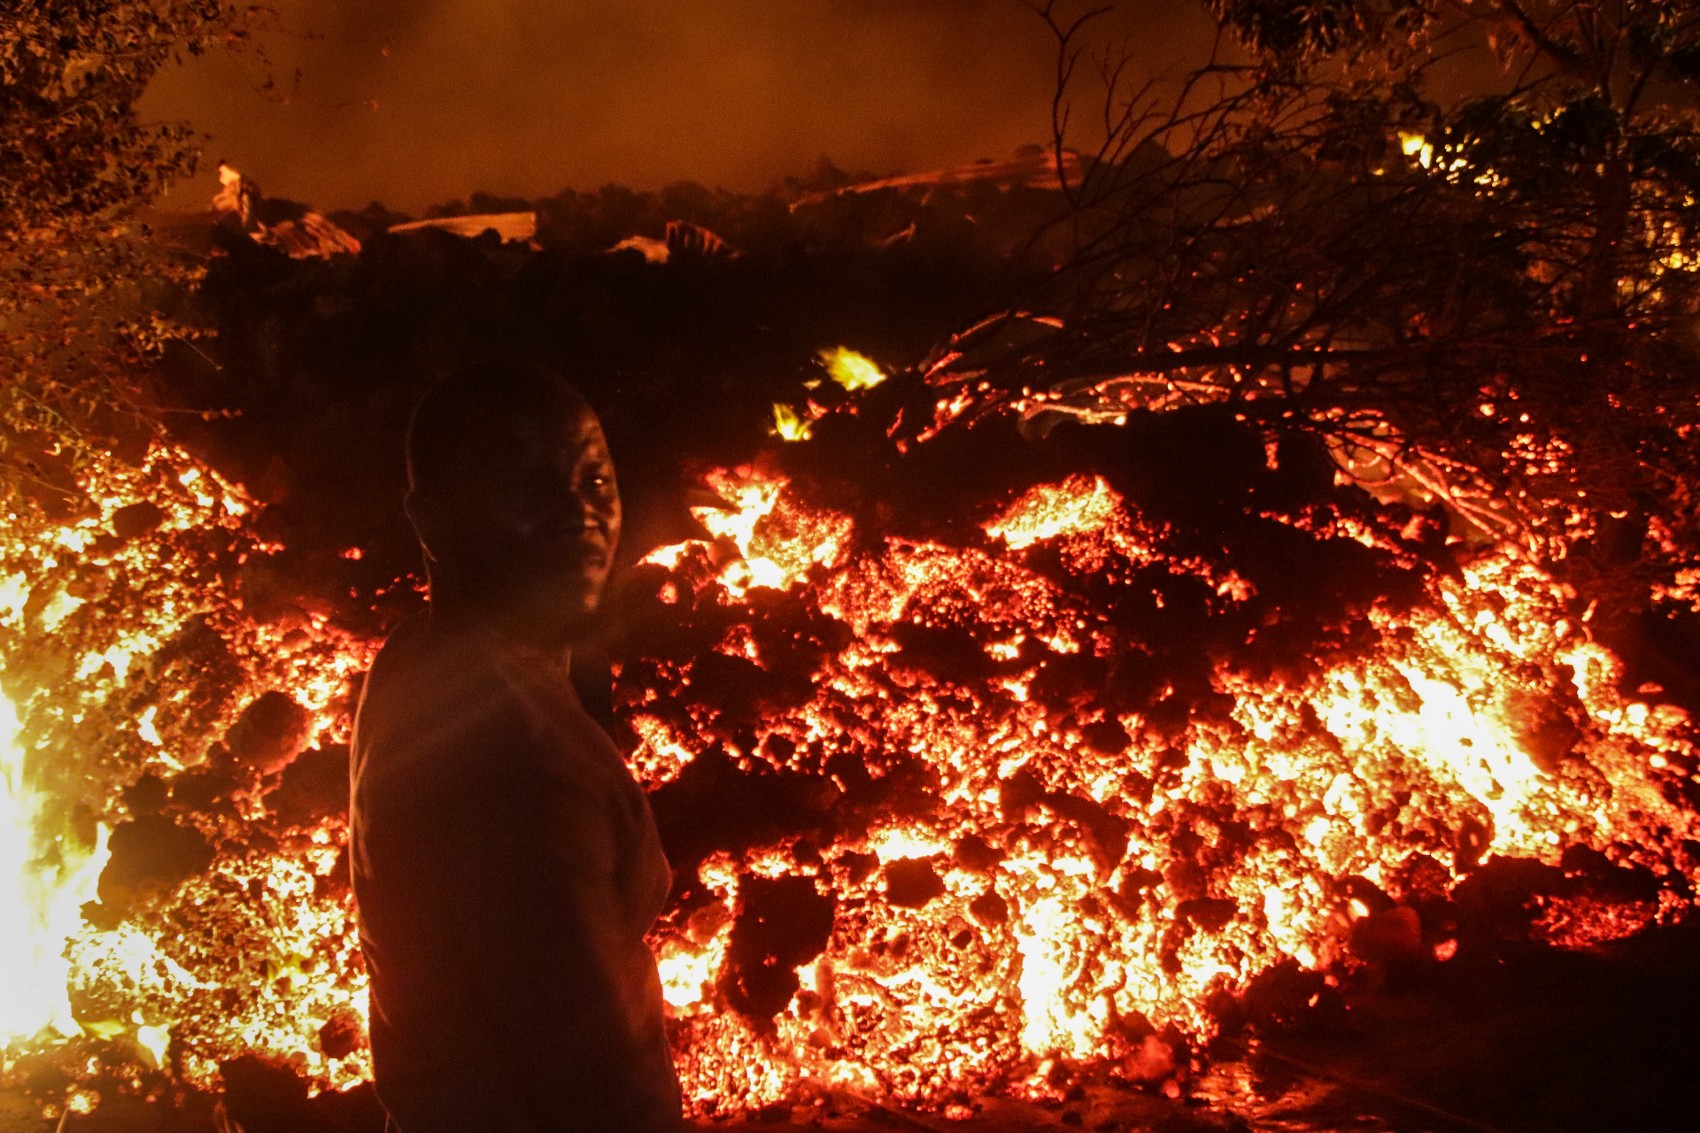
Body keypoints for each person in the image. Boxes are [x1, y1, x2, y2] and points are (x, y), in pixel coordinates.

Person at [349, 360, 683, 1133]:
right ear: (433, 523)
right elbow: (588, 1072)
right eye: (530, 491)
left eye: (594, 482)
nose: (579, 515)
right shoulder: (512, 753)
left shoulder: (426, 658)